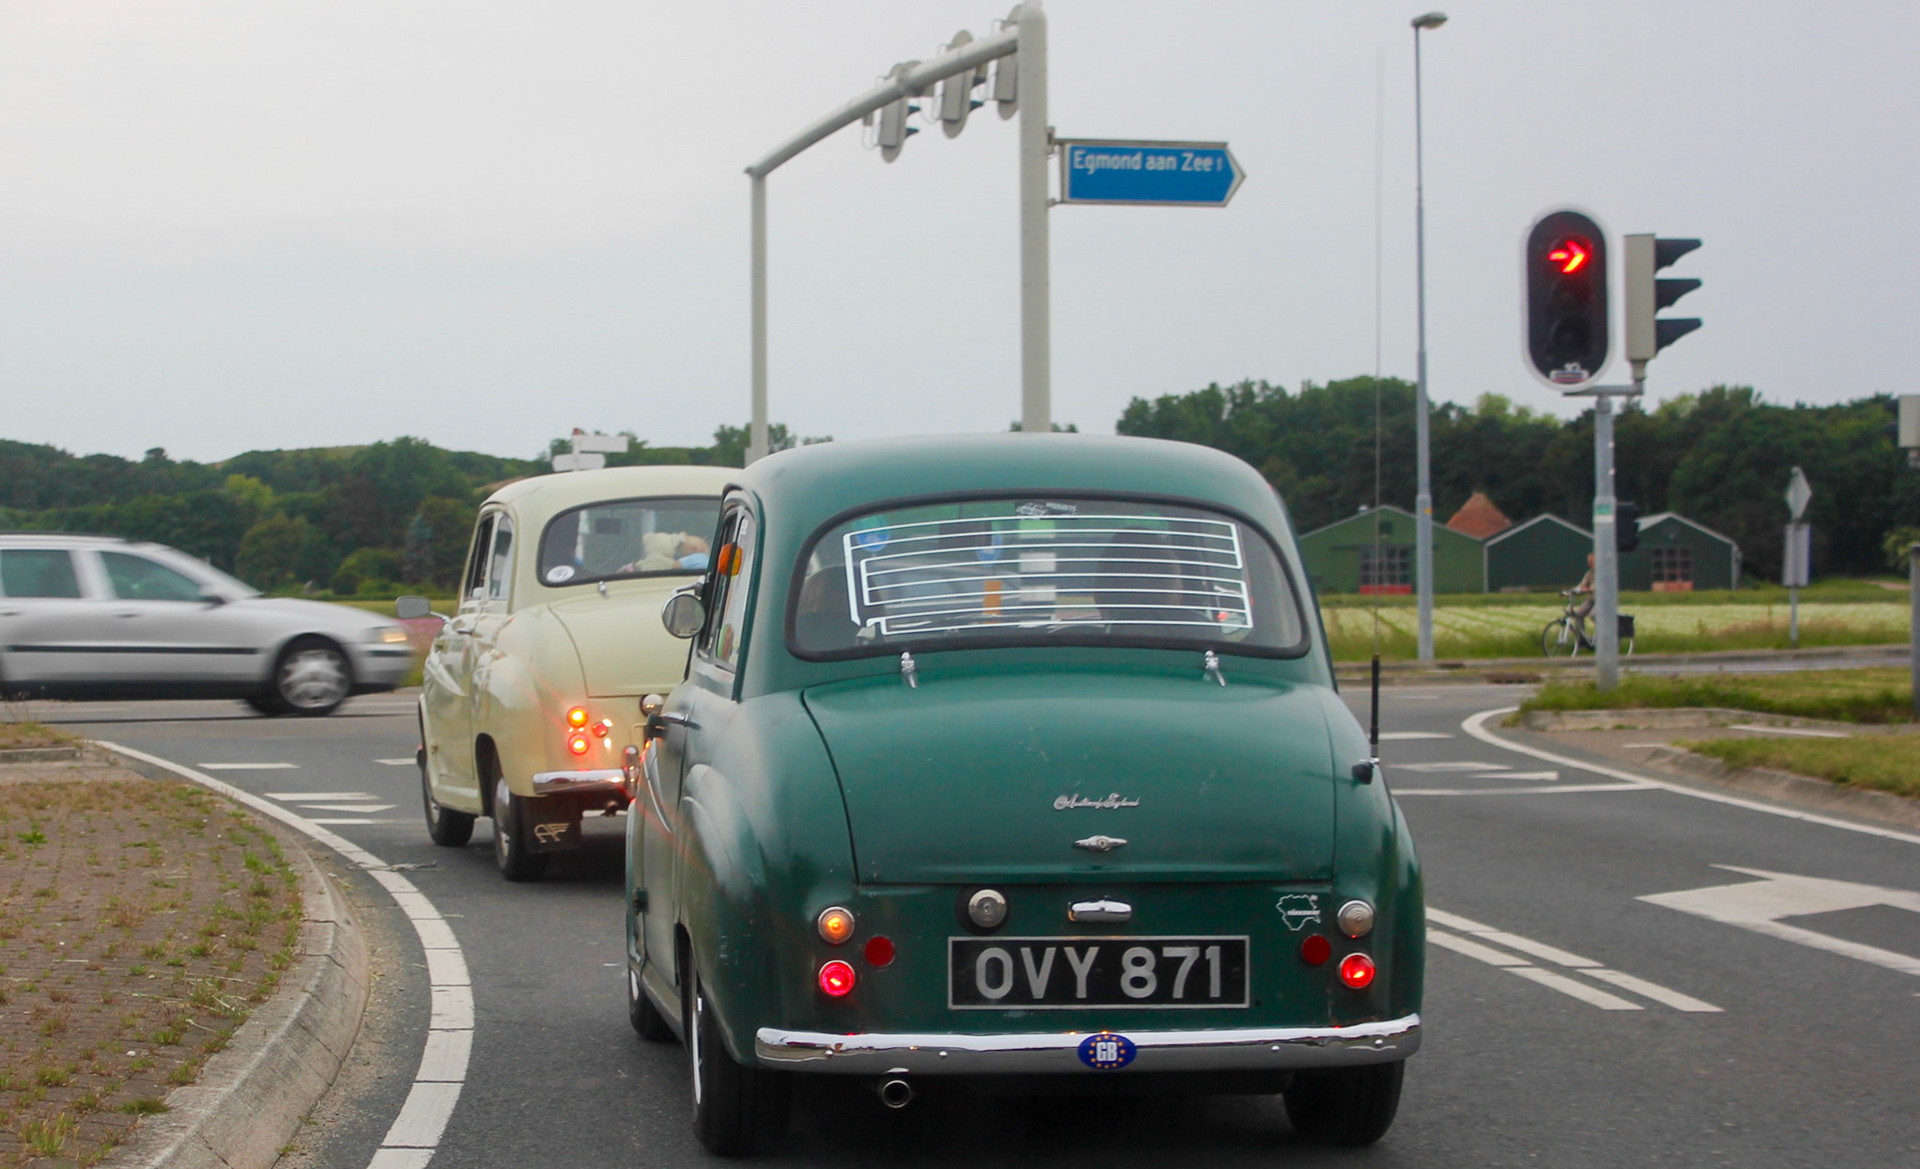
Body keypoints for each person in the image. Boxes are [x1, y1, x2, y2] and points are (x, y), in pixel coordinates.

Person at [1570, 554, 1596, 636]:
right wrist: (1572, 591)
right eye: (1588, 562)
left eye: (1591, 562)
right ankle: (1582, 638)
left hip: (1602, 601)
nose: (1589, 564)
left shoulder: (1602, 572)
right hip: (1592, 600)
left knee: (1594, 615)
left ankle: (1602, 636)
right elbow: (1582, 585)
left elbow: (1596, 585)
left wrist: (1589, 589)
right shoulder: (1589, 573)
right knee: (1578, 615)